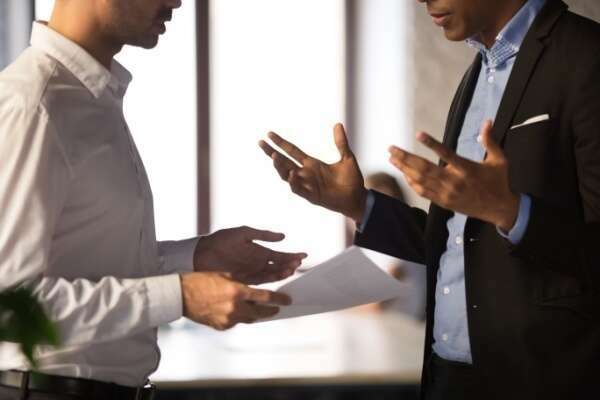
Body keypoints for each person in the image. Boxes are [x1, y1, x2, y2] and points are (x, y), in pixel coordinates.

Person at [259, 0, 600, 398]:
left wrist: (509, 211)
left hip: (542, 380)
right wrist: (359, 205)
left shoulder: (587, 56)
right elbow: (457, 242)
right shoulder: (480, 70)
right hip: (446, 374)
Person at [0, 0, 308, 399]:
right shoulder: (34, 104)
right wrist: (179, 296)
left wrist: (193, 259)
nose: (176, 2)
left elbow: (88, 265)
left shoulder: (86, 98)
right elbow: (8, 306)